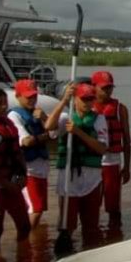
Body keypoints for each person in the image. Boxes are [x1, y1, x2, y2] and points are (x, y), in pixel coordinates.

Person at [45, 83, 108, 246]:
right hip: (69, 178)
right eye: (84, 99)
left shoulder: (99, 119)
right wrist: (64, 99)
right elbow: (48, 126)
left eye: (90, 99)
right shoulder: (66, 117)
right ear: (76, 100)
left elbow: (101, 148)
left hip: (92, 179)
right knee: (67, 223)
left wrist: (78, 132)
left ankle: (91, 252)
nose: (88, 103)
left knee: (91, 225)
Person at [0, 86, 30, 248]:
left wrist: (24, 174)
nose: (4, 106)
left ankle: (23, 261)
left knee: (25, 225)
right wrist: (0, 182)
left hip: (12, 181)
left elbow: (18, 152)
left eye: (5, 103)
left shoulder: (9, 123)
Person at [8, 79, 53, 228]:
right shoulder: (14, 115)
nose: (32, 100)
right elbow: (25, 141)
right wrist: (44, 136)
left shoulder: (38, 113)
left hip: (41, 168)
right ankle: (27, 241)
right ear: (18, 96)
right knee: (36, 208)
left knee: (39, 209)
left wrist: (44, 118)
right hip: (27, 169)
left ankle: (32, 240)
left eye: (34, 96)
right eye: (28, 97)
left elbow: (54, 133)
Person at [91, 71, 131, 229]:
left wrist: (127, 167)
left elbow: (126, 139)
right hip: (92, 162)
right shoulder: (86, 106)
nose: (107, 91)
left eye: (110, 87)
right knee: (92, 204)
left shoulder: (120, 108)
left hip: (112, 162)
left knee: (113, 206)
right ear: (94, 87)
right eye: (103, 87)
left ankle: (115, 235)